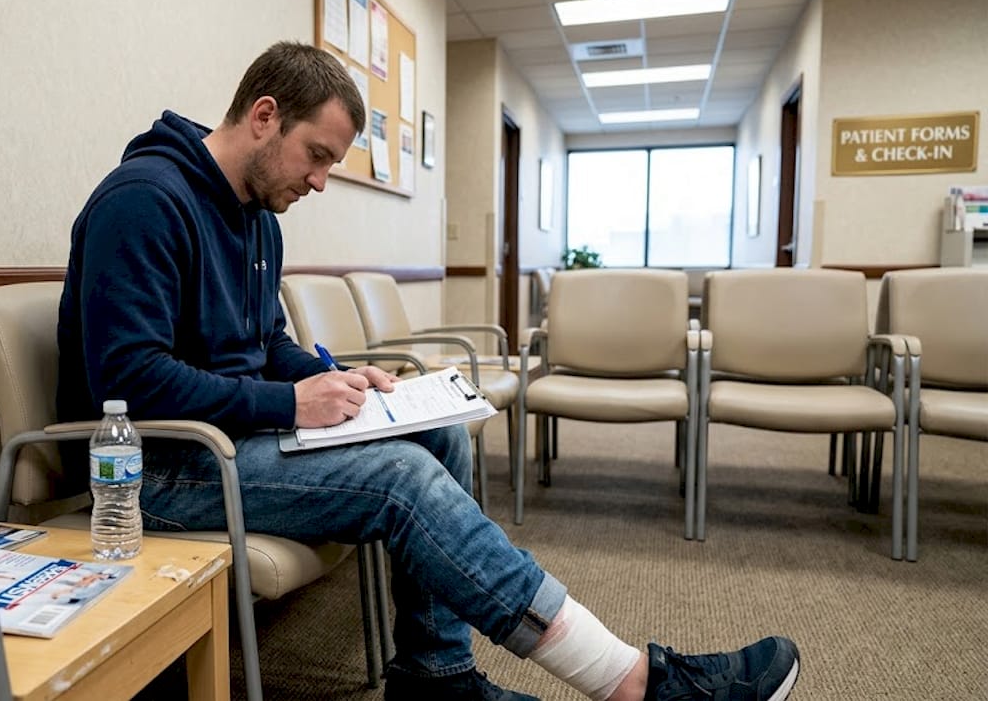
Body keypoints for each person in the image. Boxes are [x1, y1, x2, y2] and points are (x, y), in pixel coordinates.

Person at [56, 41, 800, 701]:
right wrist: (289, 402)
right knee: (400, 481)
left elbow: (265, 342)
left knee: (439, 435)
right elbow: (133, 382)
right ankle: (632, 681)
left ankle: (435, 676)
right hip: (152, 473)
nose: (320, 182)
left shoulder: (256, 219)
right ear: (263, 115)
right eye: (316, 155)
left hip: (222, 444)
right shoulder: (145, 203)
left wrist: (339, 377)